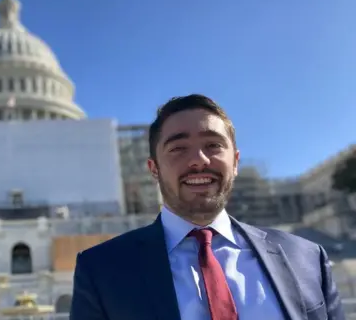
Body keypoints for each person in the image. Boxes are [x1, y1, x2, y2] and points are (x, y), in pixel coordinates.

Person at [70, 94, 345, 320]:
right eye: (178, 148)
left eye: (213, 145)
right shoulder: (102, 271)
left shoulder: (307, 258)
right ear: (154, 169)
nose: (199, 161)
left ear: (235, 162)